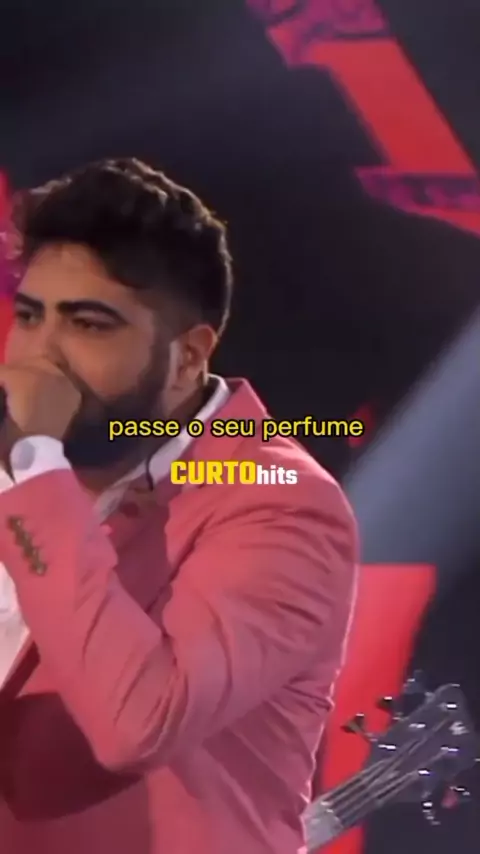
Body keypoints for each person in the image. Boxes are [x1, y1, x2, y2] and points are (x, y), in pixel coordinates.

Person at [0, 158, 357, 854]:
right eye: (30, 316)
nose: (39, 360)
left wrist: (35, 465)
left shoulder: (283, 504)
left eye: (89, 325)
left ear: (189, 356)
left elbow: (138, 724)